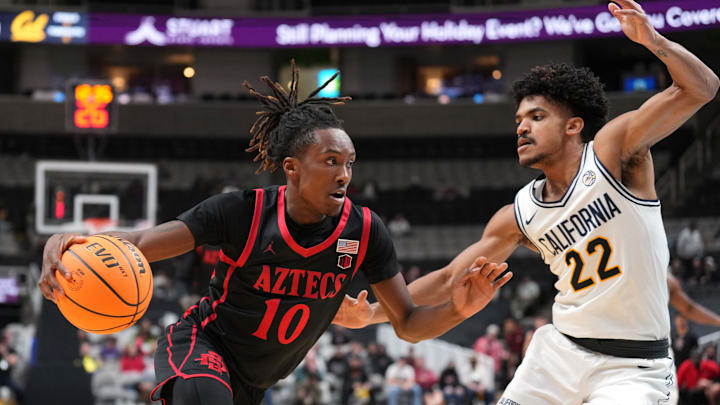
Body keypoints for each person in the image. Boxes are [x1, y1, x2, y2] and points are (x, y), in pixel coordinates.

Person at [37, 61, 511, 405]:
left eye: (349, 163)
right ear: (291, 168)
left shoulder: (365, 232)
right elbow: (139, 245)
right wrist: (72, 241)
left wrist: (455, 309)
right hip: (203, 347)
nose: (344, 174)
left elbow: (407, 322)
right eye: (330, 162)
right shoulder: (240, 212)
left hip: (257, 383)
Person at [333, 2, 720, 403]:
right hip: (558, 356)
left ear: (573, 126)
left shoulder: (614, 152)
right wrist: (376, 313)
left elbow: (701, 88)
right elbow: (450, 278)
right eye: (519, 118)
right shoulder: (519, 213)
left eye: (536, 117)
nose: (521, 126)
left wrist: (653, 41)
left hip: (634, 368)